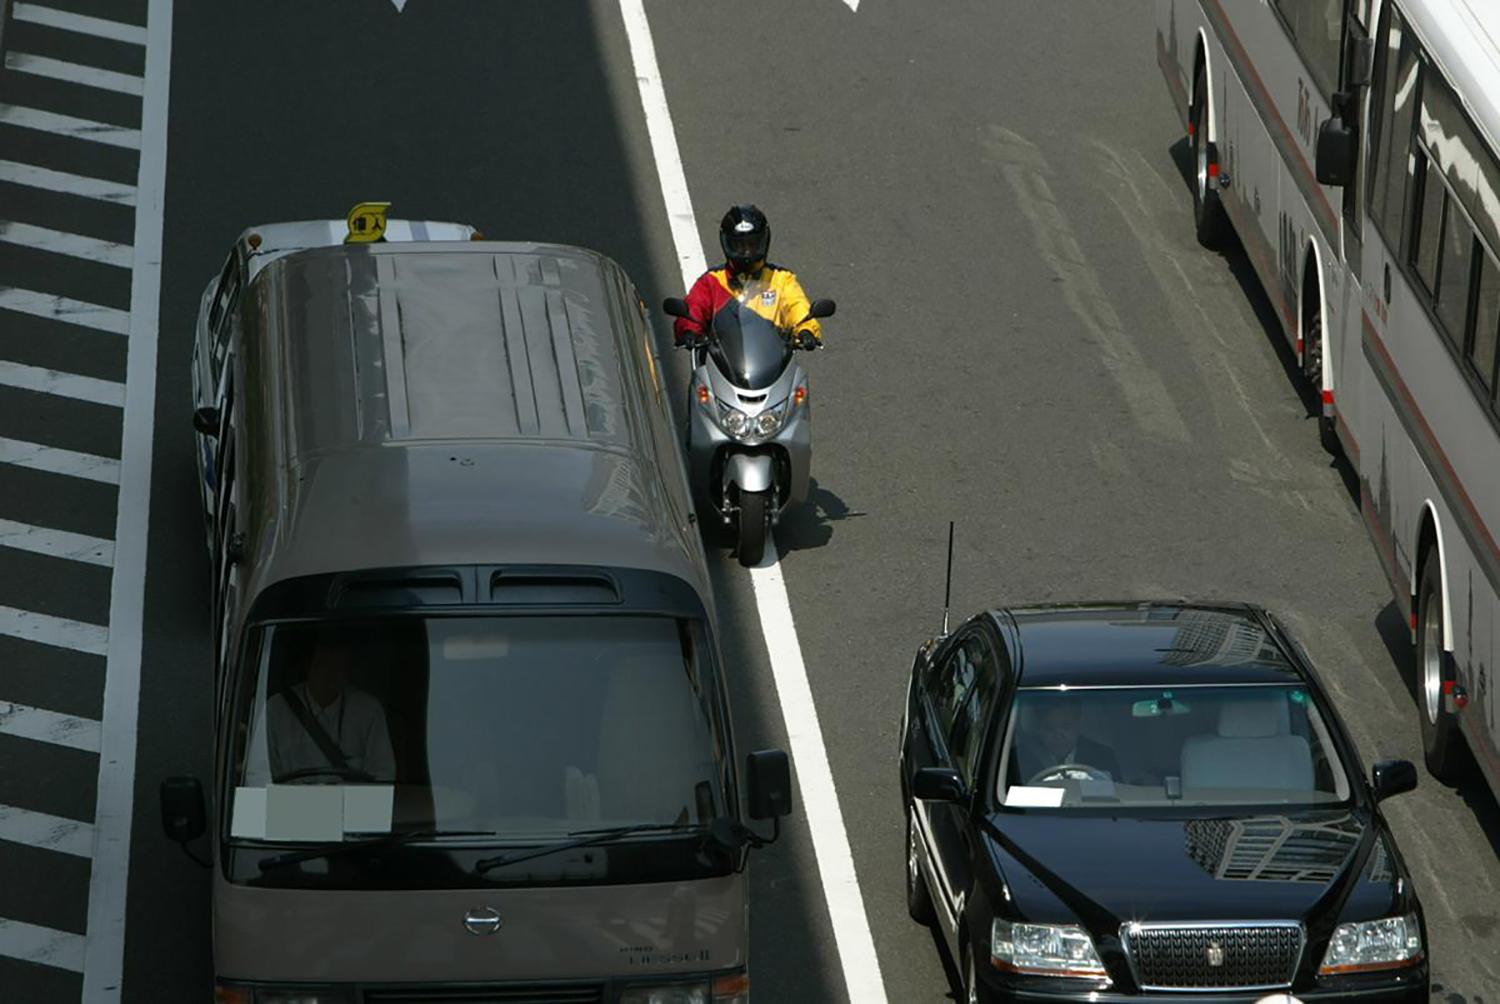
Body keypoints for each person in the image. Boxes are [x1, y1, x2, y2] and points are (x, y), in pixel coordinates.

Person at [245, 626, 396, 785]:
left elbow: (383, 775)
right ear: (307, 666)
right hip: (290, 806)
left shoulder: (369, 711)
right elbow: (258, 776)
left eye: (338, 666)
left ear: (347, 671)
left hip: (350, 806)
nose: (329, 674)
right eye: (322, 664)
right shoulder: (276, 710)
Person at [674, 204, 824, 350]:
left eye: (752, 245)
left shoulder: (782, 279)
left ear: (763, 242)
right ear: (727, 244)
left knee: (800, 376)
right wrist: (689, 331)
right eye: (740, 246)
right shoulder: (711, 281)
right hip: (722, 364)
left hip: (773, 364)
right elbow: (694, 307)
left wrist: (806, 330)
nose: (746, 253)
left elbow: (797, 306)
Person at [1015, 695, 1120, 783]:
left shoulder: (1103, 757)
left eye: (1066, 727)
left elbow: (1120, 796)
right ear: (1039, 729)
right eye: (1049, 728)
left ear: (1078, 725)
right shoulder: (1019, 759)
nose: (1058, 735)